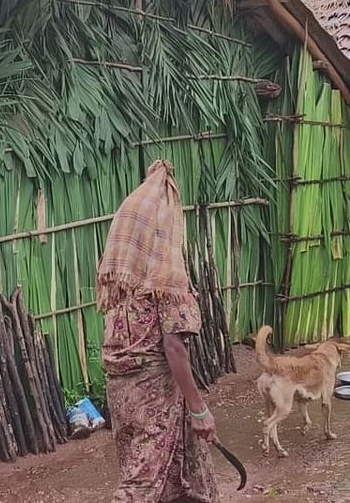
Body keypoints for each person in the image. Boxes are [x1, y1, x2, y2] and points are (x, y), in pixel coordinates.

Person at [99, 160, 219, 503]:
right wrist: (199, 409)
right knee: (142, 484)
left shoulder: (122, 288)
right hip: (155, 398)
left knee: (181, 476)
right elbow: (174, 348)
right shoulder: (166, 284)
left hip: (123, 397)